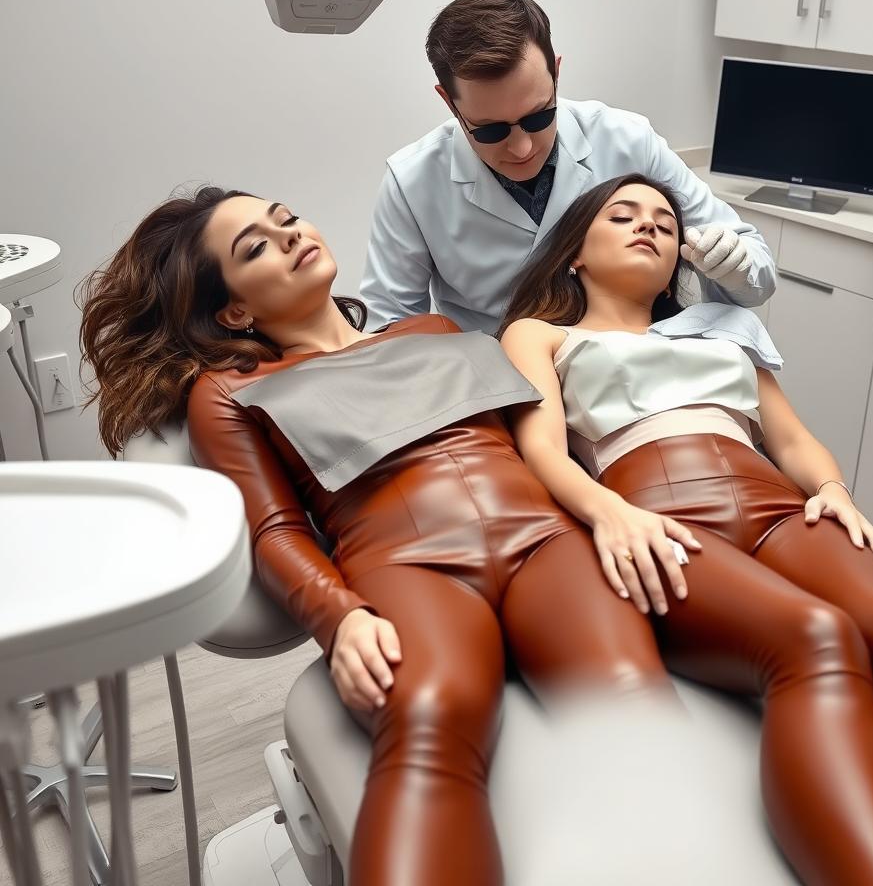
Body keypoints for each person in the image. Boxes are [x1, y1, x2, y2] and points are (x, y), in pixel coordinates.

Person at [78, 187, 673, 886]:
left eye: (286, 218)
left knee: (632, 705)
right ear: (235, 309)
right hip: (411, 567)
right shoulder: (232, 389)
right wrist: (340, 617)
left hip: (544, 541)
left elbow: (545, 444)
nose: (291, 234)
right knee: (432, 721)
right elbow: (272, 527)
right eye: (256, 246)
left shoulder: (433, 331)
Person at [498, 173, 873, 886]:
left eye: (663, 219)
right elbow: (541, 451)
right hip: (666, 520)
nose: (648, 225)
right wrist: (608, 513)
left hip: (778, 507)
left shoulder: (725, 329)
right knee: (818, 638)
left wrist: (834, 490)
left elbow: (792, 438)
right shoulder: (541, 335)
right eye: (623, 216)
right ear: (576, 255)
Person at [360, 0, 776, 334]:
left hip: (630, 375)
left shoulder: (627, 139)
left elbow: (755, 276)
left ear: (556, 74)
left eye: (539, 116)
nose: (522, 148)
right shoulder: (412, 181)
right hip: (496, 388)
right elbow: (393, 328)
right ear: (449, 103)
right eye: (491, 130)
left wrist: (733, 267)